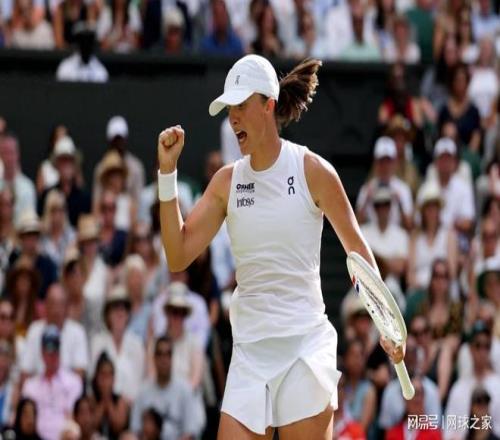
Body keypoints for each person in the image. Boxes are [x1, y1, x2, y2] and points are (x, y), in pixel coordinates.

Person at [156, 54, 404, 439]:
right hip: (249, 354)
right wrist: (167, 172)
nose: (233, 118)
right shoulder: (225, 183)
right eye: (229, 109)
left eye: (241, 106)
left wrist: (387, 323)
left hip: (304, 347)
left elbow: (356, 250)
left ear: (268, 105)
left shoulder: (313, 171)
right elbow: (177, 256)